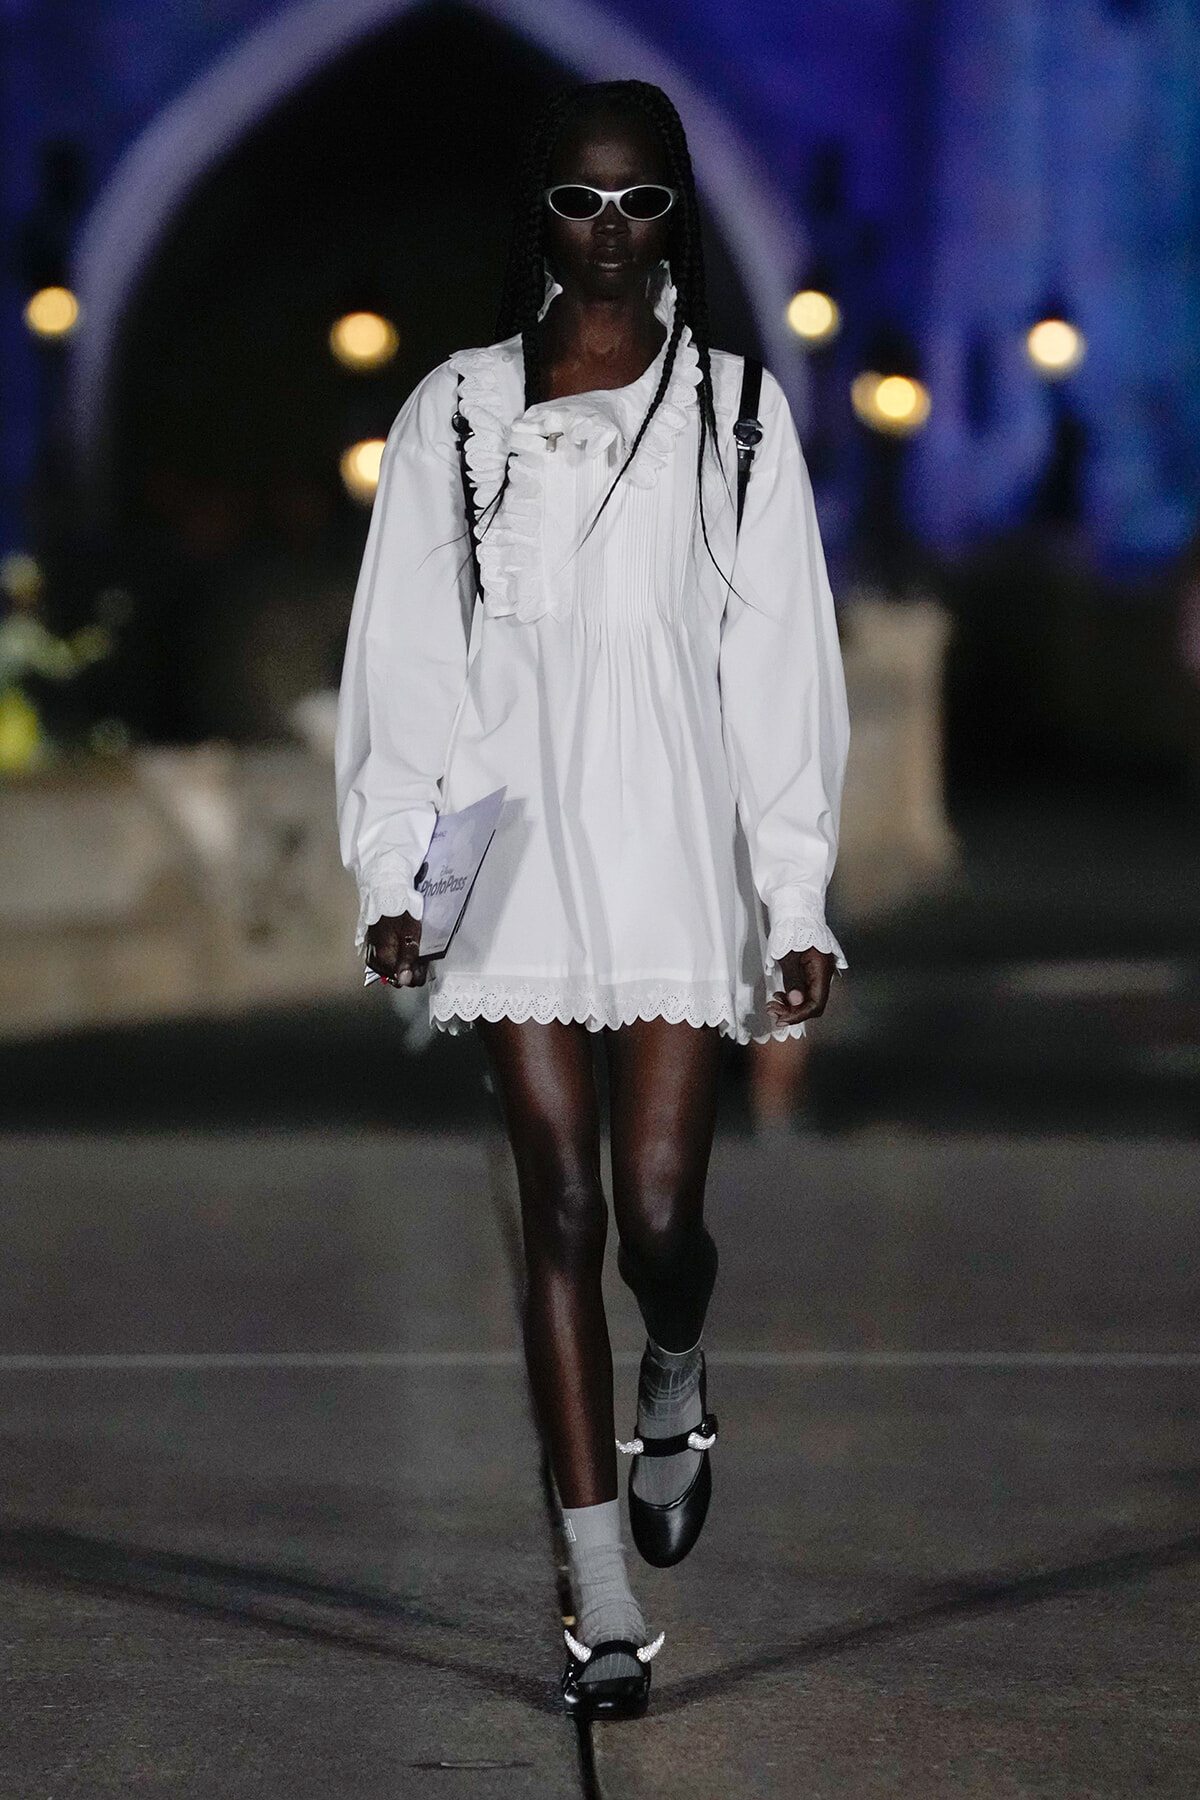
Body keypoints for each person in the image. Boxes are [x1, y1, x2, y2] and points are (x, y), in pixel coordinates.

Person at [335, 79, 849, 1721]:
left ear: (678, 211)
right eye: (580, 200)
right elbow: (405, 658)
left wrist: (797, 899)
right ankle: (602, 1600)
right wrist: (392, 868)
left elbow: (780, 679)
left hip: (675, 846)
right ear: (539, 212)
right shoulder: (461, 410)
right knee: (556, 1209)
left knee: (655, 1224)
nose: (611, 232)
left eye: (640, 202)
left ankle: (678, 1374)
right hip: (517, 859)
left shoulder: (739, 416)